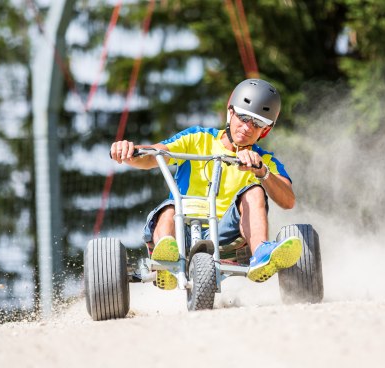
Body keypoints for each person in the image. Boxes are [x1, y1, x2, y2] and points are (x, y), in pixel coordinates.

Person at [110, 78, 302, 289]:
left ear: (264, 131)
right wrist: (128, 152)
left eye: (257, 123)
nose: (247, 127)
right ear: (231, 113)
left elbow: (288, 201)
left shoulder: (263, 161)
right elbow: (153, 155)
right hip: (179, 229)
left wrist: (262, 173)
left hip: (225, 235)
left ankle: (261, 254)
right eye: (244, 117)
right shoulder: (197, 138)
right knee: (170, 207)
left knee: (255, 190)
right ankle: (166, 260)